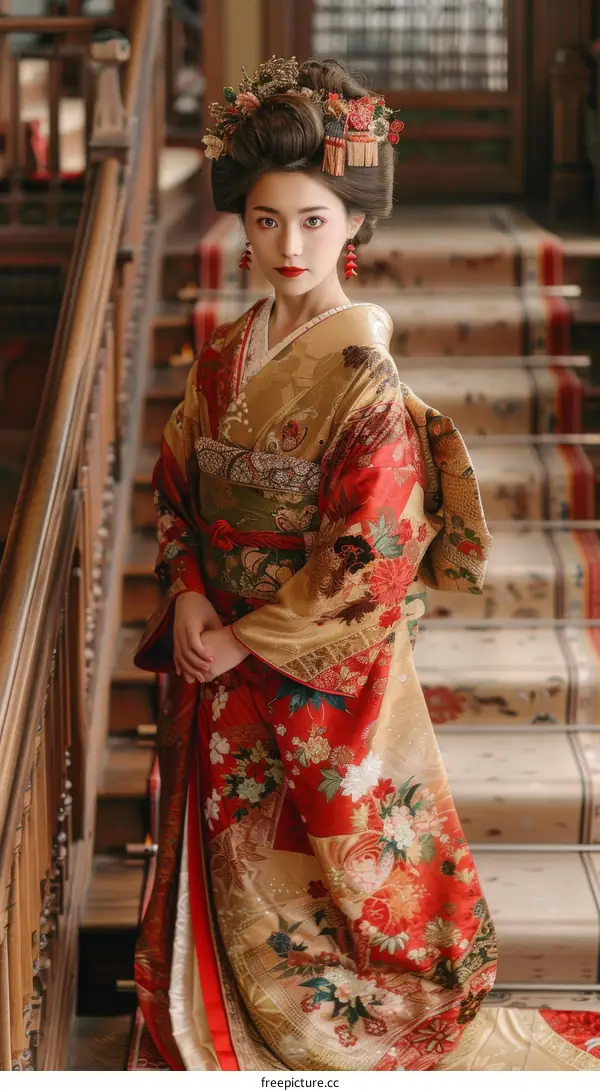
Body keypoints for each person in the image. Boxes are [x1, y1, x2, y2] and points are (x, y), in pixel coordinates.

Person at [133, 56, 600, 1071]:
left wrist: (244, 636)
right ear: (242, 223)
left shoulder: (366, 377)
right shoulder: (228, 351)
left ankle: (345, 1022)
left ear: (355, 224)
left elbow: (373, 548)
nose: (288, 244)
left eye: (312, 219)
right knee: (236, 858)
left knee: (333, 871)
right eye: (265, 219)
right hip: (222, 636)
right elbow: (177, 486)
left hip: (302, 659)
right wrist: (186, 594)